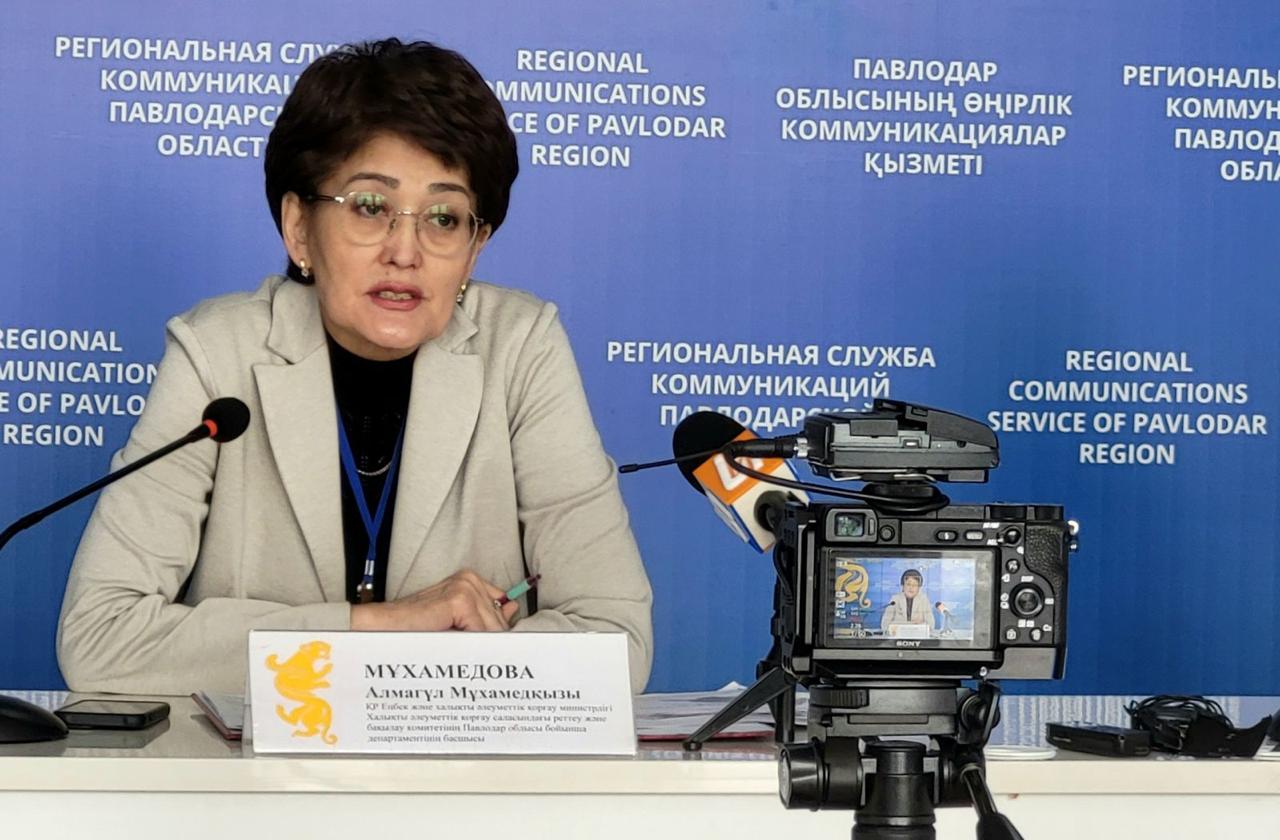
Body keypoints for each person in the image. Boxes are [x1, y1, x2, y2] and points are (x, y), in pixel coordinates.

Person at [56, 39, 653, 695]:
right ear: (299, 229)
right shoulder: (217, 353)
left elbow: (617, 642)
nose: (406, 251)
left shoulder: (521, 349)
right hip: (255, 763)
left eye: (444, 217)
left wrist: (369, 664)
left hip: (458, 762)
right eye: (370, 207)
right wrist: (382, 628)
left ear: (475, 247)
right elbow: (100, 638)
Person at [879, 569, 935, 636]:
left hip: (918, 638)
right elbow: (884, 624)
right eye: (908, 584)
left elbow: (931, 625)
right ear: (903, 586)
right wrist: (911, 625)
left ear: (919, 588)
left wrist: (922, 624)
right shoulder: (895, 599)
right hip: (897, 639)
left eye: (914, 585)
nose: (911, 588)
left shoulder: (924, 600)